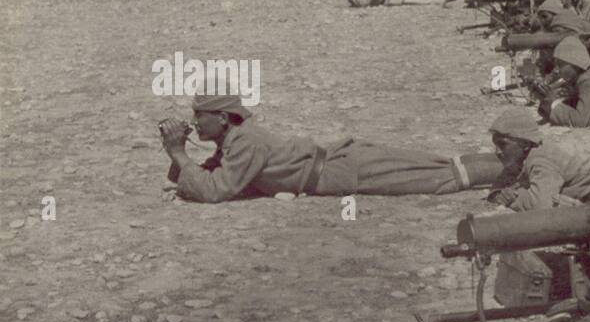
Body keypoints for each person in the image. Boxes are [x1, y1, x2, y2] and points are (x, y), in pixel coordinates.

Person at [159, 97, 499, 203]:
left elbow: (217, 190)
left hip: (340, 170)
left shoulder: (245, 141)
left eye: (198, 117)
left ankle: (512, 169)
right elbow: (211, 172)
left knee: (441, 178)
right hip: (342, 160)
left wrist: (178, 154)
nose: (195, 123)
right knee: (438, 166)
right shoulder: (236, 138)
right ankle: (511, 164)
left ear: (221, 118)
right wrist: (179, 157)